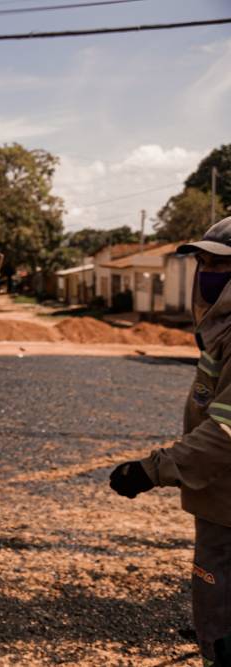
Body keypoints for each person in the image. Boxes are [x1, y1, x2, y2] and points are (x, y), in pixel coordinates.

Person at [109, 218, 231, 667]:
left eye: (220, 264)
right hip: (218, 497)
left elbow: (224, 432)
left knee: (219, 607)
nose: (207, 273)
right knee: (216, 599)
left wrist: (151, 470)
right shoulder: (222, 330)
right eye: (203, 262)